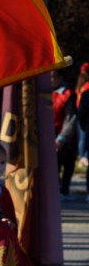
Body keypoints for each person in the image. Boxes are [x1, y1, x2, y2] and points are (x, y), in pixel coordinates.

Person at [51, 71, 77, 199]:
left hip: (64, 137)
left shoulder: (67, 94)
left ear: (60, 78)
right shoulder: (40, 92)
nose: (50, 80)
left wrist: (62, 138)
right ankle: (55, 189)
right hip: (48, 136)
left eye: (53, 77)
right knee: (53, 166)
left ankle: (64, 189)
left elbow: (70, 118)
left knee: (67, 163)